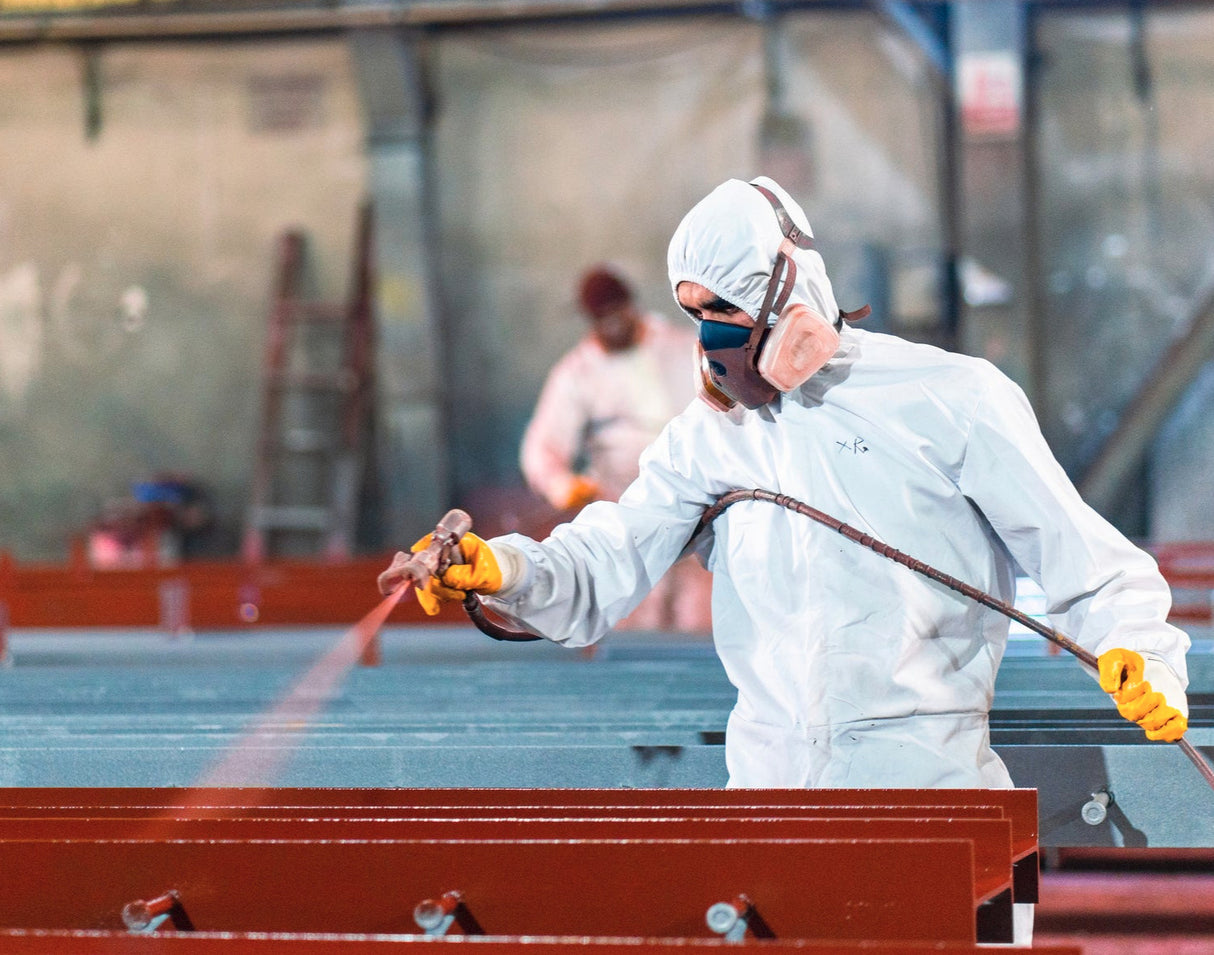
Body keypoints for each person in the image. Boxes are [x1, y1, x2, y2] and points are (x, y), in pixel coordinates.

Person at [381, 175, 1191, 788]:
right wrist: (506, 569)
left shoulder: (953, 400)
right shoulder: (711, 436)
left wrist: (1141, 655)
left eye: (725, 307)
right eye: (692, 310)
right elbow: (605, 561)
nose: (710, 336)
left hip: (925, 794)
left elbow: (1088, 565)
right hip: (770, 802)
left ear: (790, 290)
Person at [518, 265, 712, 634]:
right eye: (600, 319)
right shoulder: (577, 372)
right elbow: (541, 447)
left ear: (631, 306)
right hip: (627, 509)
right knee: (636, 617)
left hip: (698, 500)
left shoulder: (683, 346)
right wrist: (562, 485)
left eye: (616, 314)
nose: (611, 325)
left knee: (700, 618)